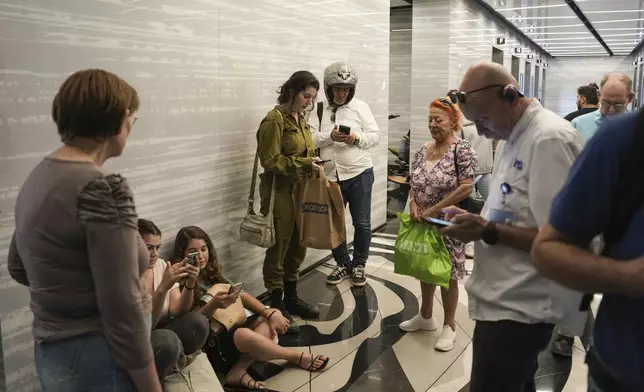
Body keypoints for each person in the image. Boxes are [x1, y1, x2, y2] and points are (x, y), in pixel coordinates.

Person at [7, 69, 161, 391]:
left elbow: (19, 267)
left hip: (54, 353)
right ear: (119, 119)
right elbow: (122, 307)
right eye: (132, 116)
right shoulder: (102, 188)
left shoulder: (37, 177)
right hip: (102, 356)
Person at [440, 62, 584, 392]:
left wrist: (485, 231)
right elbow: (511, 207)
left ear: (510, 96)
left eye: (485, 119)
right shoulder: (510, 136)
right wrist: (476, 221)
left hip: (522, 308)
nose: (481, 131)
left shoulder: (550, 140)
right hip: (502, 298)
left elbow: (566, 242)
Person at [532, 111, 644, 391]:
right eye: (606, 101)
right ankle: (565, 338)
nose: (610, 107)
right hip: (623, 372)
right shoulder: (623, 138)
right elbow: (548, 248)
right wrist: (627, 277)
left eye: (617, 102)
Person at [170, 226, 330, 390]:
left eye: (204, 249)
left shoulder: (211, 272)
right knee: (244, 334)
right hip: (210, 344)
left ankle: (239, 369)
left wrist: (268, 312)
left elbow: (242, 294)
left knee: (266, 322)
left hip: (232, 329)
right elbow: (190, 323)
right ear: (183, 255)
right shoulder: (180, 281)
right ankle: (295, 357)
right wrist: (212, 304)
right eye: (193, 252)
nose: (201, 256)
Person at [398, 97, 477, 352]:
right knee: (426, 267)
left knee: (449, 274)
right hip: (422, 221)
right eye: (430, 119)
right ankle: (425, 316)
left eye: (438, 119)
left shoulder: (461, 149)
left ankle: (450, 326)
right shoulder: (423, 149)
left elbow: (466, 186)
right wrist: (413, 205)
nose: (433, 124)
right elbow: (414, 182)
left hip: (447, 222)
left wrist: (434, 209)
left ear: (453, 121)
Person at [257, 70, 324, 330]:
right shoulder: (274, 120)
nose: (309, 101)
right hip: (280, 192)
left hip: (301, 190)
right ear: (292, 91)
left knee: (299, 243)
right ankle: (276, 304)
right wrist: (304, 162)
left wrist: (313, 162)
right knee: (280, 246)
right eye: (306, 96)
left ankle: (292, 297)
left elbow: (306, 150)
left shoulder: (301, 118)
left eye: (312, 97)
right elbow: (270, 160)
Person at [309, 62, 381, 287]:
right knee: (334, 225)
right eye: (337, 89)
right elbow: (310, 138)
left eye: (346, 90)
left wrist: (356, 138)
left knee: (362, 223)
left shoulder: (361, 107)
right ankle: (342, 263)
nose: (341, 94)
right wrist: (330, 136)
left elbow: (375, 136)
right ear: (328, 88)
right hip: (330, 177)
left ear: (352, 90)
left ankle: (359, 265)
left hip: (359, 173)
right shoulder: (318, 109)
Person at [138, 219, 210, 381]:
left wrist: (190, 283)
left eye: (158, 247)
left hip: (160, 333)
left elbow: (178, 310)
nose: (155, 254)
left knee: (198, 321)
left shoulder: (161, 265)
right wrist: (163, 288)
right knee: (167, 340)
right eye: (149, 248)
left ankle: (169, 366)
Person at [571, 74, 634, 141]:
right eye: (606, 103)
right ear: (598, 95)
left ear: (630, 98)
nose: (611, 110)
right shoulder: (578, 125)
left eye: (618, 104)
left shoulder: (639, 127)